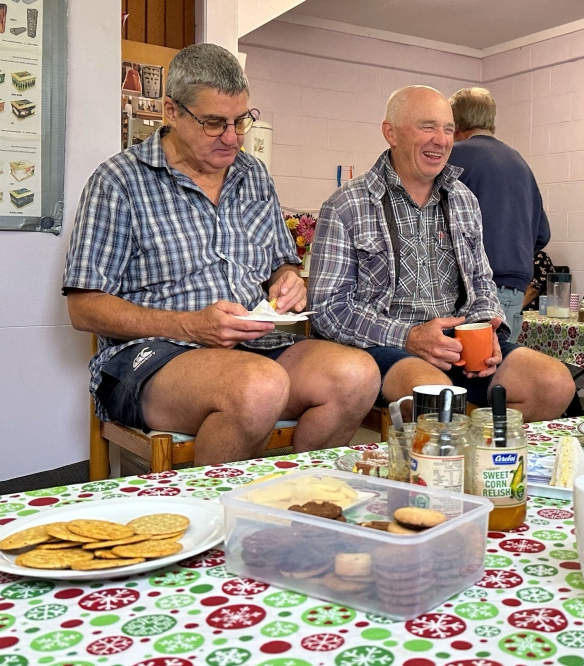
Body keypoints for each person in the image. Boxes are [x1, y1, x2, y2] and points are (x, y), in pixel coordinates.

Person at [62, 44, 380, 464]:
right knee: (257, 386)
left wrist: (287, 281)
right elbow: (84, 309)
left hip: (252, 350)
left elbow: (280, 264)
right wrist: (191, 327)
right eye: (214, 123)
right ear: (171, 111)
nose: (232, 138)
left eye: (240, 121)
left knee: (357, 375)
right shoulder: (118, 181)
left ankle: (295, 503)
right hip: (151, 357)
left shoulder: (253, 175)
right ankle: (216, 519)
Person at [308, 85, 574, 421]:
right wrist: (408, 337)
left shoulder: (463, 199)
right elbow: (327, 309)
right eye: (427, 127)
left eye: (448, 129)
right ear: (390, 132)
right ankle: (446, 460)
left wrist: (487, 330)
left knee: (553, 383)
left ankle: (480, 463)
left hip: (457, 345)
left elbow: (481, 282)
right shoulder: (346, 204)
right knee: (440, 399)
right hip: (384, 346)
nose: (442, 139)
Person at [446, 87, 550, 337]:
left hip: (468, 290)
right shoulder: (519, 162)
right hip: (514, 287)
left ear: (456, 122)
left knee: (463, 372)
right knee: (500, 367)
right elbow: (542, 235)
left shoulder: (453, 157)